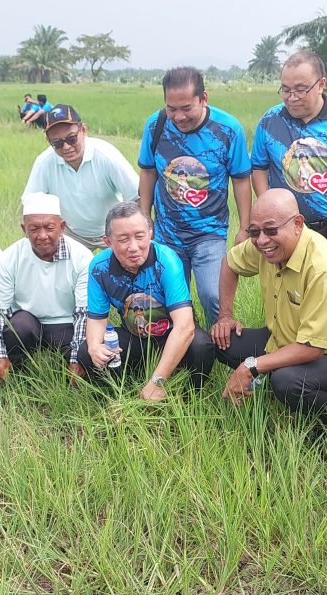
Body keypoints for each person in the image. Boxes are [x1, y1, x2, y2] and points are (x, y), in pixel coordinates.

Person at [212, 189, 327, 416]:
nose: (262, 240)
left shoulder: (323, 267)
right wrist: (225, 316)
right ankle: (271, 387)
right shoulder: (265, 246)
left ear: (297, 224)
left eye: (271, 230)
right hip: (284, 339)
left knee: (287, 382)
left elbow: (312, 348)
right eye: (254, 231)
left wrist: (250, 367)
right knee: (222, 341)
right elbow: (229, 263)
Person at [138, 67, 252, 328]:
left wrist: (245, 228)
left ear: (204, 98)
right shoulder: (156, 125)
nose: (179, 116)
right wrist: (144, 218)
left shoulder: (228, 129)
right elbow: (147, 172)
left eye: (186, 108)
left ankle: (219, 352)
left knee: (213, 296)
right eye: (171, 108)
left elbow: (241, 180)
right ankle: (184, 352)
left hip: (209, 232)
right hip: (167, 232)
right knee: (170, 300)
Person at [251, 50, 327, 291]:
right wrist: (269, 212)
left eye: (300, 89)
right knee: (290, 294)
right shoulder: (270, 121)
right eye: (285, 89)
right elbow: (259, 169)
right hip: (286, 228)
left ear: (321, 85)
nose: (292, 97)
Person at [78, 201, 215, 400]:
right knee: (86, 353)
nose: (134, 247)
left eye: (140, 236)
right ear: (108, 242)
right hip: (135, 338)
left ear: (150, 233)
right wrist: (93, 347)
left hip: (172, 335)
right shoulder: (99, 267)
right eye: (123, 239)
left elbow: (185, 327)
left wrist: (157, 381)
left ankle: (187, 399)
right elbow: (97, 319)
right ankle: (118, 395)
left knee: (201, 346)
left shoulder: (167, 261)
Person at [0, 192, 92, 382]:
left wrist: (76, 359)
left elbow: (84, 313)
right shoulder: (10, 257)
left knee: (87, 355)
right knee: (17, 328)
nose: (42, 236)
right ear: (23, 229)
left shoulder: (82, 257)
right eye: (34, 229)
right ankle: (17, 370)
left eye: (49, 228)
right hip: (27, 322)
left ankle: (70, 365)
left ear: (62, 227)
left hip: (66, 324)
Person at [23, 104, 140, 251]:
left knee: (129, 269)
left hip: (113, 230)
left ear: (83, 130)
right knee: (58, 271)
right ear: (48, 141)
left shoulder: (106, 155)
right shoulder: (44, 162)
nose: (66, 147)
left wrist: (135, 234)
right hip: (71, 233)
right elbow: (30, 204)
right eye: (57, 143)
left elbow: (137, 196)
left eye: (71, 139)